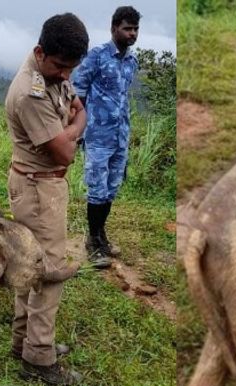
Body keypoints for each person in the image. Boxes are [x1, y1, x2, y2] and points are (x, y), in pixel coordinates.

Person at [4, 12, 88, 386]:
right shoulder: (30, 92)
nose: (66, 76)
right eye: (61, 67)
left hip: (41, 186)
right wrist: (73, 129)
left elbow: (80, 107)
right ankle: (38, 358)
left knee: (28, 264)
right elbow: (65, 153)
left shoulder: (50, 75)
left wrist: (71, 127)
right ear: (40, 52)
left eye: (71, 69)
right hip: (39, 189)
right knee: (48, 272)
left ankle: (23, 341)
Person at [72, 6, 141, 268]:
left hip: (120, 137)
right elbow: (78, 93)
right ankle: (92, 241)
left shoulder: (131, 62)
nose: (132, 34)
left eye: (135, 29)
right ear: (114, 29)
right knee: (97, 189)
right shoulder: (97, 57)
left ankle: (102, 236)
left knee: (111, 188)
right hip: (98, 136)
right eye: (127, 28)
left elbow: (122, 100)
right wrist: (78, 130)